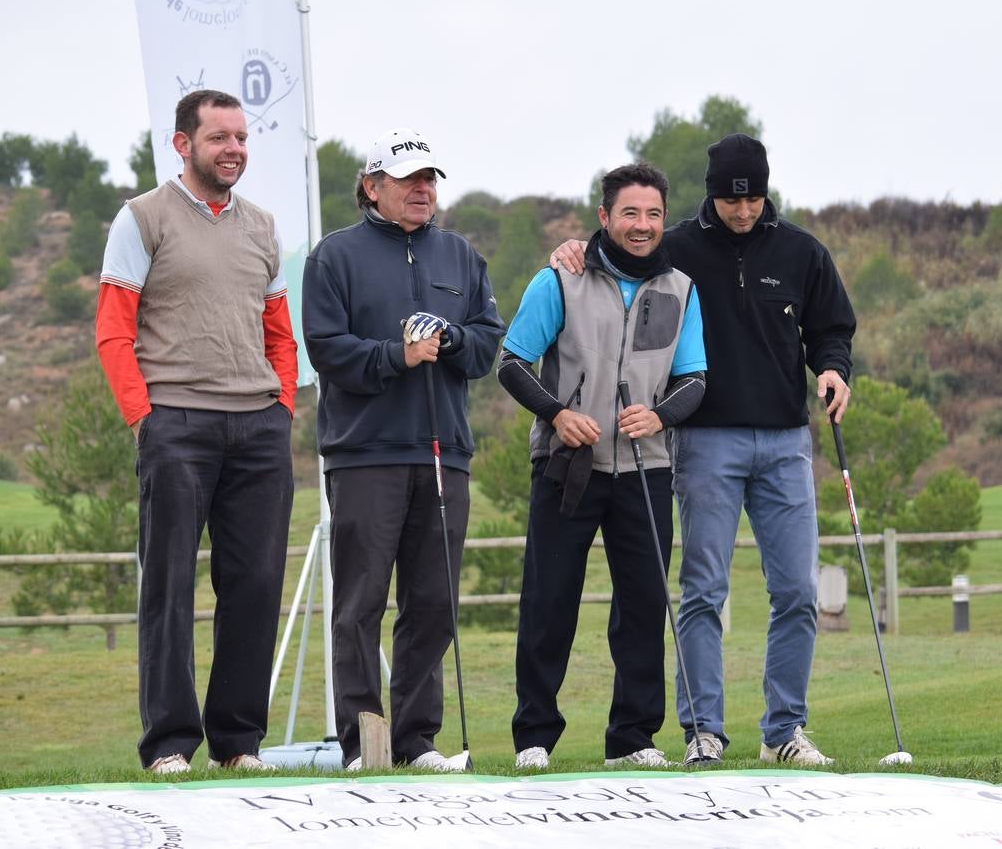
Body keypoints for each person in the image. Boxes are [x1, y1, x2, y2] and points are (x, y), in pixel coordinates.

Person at [551, 134, 856, 767]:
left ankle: (784, 732)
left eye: (752, 200)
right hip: (703, 441)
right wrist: (576, 245)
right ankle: (704, 732)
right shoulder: (677, 247)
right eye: (729, 200)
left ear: (766, 193)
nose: (742, 212)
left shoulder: (802, 251)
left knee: (797, 591)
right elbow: (618, 244)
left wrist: (832, 368)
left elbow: (832, 329)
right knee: (702, 590)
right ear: (712, 193)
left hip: (784, 440)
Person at [96, 89, 298, 774]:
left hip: (259, 429)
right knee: (170, 586)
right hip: (175, 425)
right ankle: (170, 746)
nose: (234, 148)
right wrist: (143, 418)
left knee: (257, 584)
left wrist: (283, 409)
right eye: (220, 138)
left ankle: (238, 744)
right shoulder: (143, 218)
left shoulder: (265, 226)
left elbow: (279, 331)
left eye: (241, 137)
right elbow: (113, 330)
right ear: (183, 143)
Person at [301, 128, 504, 771]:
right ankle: (364, 745)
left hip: (445, 453)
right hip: (365, 454)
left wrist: (448, 339)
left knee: (432, 603)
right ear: (372, 186)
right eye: (408, 179)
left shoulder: (460, 257)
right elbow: (327, 350)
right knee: (360, 603)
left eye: (430, 179)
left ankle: (417, 742)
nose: (423, 190)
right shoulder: (334, 257)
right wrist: (398, 355)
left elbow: (485, 347)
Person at [499, 163, 706, 770]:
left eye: (653, 215)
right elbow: (512, 363)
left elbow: (695, 378)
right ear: (605, 217)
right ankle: (534, 736)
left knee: (644, 604)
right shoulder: (558, 279)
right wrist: (558, 415)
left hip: (646, 465)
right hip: (569, 464)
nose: (642, 226)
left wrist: (661, 417)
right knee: (549, 600)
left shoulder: (681, 289)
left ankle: (633, 739)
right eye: (630, 213)